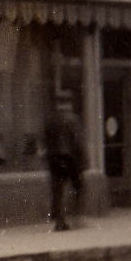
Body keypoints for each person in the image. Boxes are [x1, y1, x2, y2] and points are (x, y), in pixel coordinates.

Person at [45, 90, 87, 231]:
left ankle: (60, 221)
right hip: (70, 158)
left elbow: (46, 140)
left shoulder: (51, 119)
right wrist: (83, 158)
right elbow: (78, 141)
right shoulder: (73, 119)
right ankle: (76, 217)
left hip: (54, 158)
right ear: (70, 103)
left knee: (58, 191)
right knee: (78, 187)